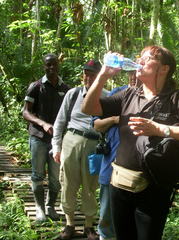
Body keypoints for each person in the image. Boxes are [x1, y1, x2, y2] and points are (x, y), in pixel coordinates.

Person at [82, 46, 179, 240]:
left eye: (147, 58)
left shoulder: (175, 98)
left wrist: (161, 129)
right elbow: (89, 108)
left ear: (164, 68)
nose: (139, 61)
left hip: (155, 188)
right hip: (120, 185)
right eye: (139, 57)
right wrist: (103, 75)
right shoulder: (128, 94)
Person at [52, 60, 108, 240]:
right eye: (86, 73)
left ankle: (89, 226)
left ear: (100, 75)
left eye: (92, 73)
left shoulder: (107, 96)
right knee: (68, 182)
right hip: (71, 140)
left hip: (94, 144)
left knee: (90, 185)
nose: (88, 77)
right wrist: (56, 147)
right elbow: (60, 121)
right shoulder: (73, 93)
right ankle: (69, 224)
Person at [92, 72, 141, 240]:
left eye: (138, 73)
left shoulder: (152, 99)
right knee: (107, 211)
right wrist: (115, 119)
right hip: (112, 162)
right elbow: (97, 125)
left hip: (138, 169)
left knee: (134, 217)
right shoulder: (117, 94)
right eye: (131, 73)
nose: (134, 77)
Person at [22, 53, 70, 222]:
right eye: (48, 65)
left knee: (55, 178)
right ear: (44, 67)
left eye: (54, 64)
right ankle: (39, 208)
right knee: (37, 175)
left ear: (59, 65)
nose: (51, 68)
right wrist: (42, 123)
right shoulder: (36, 87)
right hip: (38, 137)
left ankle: (50, 206)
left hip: (57, 140)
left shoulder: (66, 89)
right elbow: (25, 112)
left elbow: (71, 115)